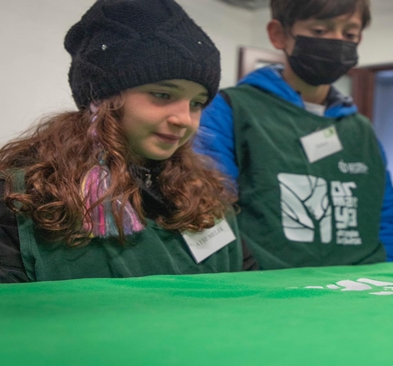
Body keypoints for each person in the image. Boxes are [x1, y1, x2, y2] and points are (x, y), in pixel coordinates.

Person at [0, 0, 258, 283]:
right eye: (163, 95)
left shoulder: (205, 197)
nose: (184, 119)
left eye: (196, 103)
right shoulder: (22, 197)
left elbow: (246, 288)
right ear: (104, 97)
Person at [196, 0, 393, 269]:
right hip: (268, 293)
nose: (336, 41)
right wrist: (247, 278)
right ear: (279, 34)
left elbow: (385, 217)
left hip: (360, 293)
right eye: (319, 31)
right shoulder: (231, 110)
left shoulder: (361, 129)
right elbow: (208, 208)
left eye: (349, 34)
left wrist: (388, 278)